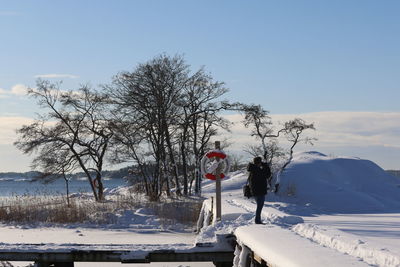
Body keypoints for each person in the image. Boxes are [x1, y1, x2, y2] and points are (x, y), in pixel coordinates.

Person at [247, 156, 271, 224]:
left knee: (259, 206)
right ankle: (257, 220)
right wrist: (265, 166)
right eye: (260, 162)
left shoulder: (253, 170)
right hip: (259, 191)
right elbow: (267, 174)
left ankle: (258, 220)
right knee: (259, 206)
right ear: (259, 162)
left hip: (256, 191)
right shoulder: (257, 170)